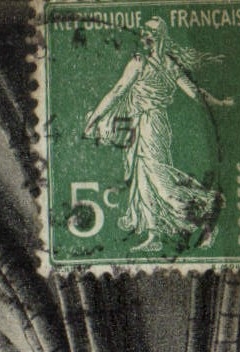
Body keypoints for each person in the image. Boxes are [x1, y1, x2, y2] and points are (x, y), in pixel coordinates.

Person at [84, 16, 232, 251]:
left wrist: (219, 104)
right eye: (145, 30)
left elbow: (194, 92)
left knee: (163, 186)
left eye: (150, 31)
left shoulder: (158, 64)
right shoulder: (146, 62)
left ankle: (206, 218)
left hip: (152, 125)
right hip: (139, 123)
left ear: (159, 37)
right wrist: (96, 119)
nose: (145, 35)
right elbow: (118, 91)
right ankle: (154, 236)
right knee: (143, 180)